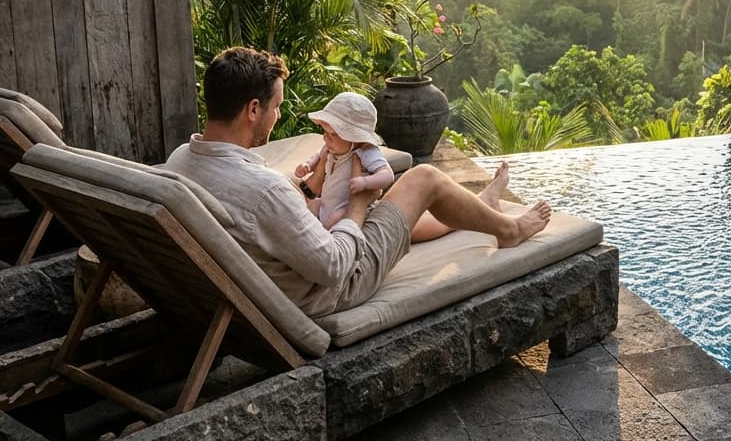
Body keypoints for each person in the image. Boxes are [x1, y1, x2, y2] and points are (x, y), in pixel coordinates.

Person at [164, 46, 551, 318]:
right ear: (252, 110)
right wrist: (359, 207)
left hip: (263, 281)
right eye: (276, 106)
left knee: (387, 212)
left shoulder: (180, 162)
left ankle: (480, 207)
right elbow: (333, 267)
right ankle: (510, 229)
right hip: (332, 289)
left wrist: (312, 195)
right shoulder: (264, 192)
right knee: (423, 179)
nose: (277, 116)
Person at [294, 92, 395, 230]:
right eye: (325, 132)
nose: (326, 138)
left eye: (333, 134)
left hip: (346, 208)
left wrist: (365, 182)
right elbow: (318, 156)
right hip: (326, 204)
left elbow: (387, 175)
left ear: (354, 137)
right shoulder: (330, 147)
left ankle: (327, 235)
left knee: (333, 220)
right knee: (309, 205)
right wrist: (308, 165)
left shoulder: (366, 151)